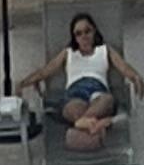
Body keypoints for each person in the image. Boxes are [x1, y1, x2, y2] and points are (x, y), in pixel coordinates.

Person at [23, 13, 136, 154]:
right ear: (74, 37)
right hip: (74, 92)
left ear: (94, 31)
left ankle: (80, 124)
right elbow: (46, 71)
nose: (84, 36)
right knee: (72, 107)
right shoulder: (69, 53)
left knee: (107, 100)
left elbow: (123, 67)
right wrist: (23, 84)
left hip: (98, 90)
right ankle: (96, 126)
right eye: (78, 33)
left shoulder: (104, 50)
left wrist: (136, 77)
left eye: (87, 31)